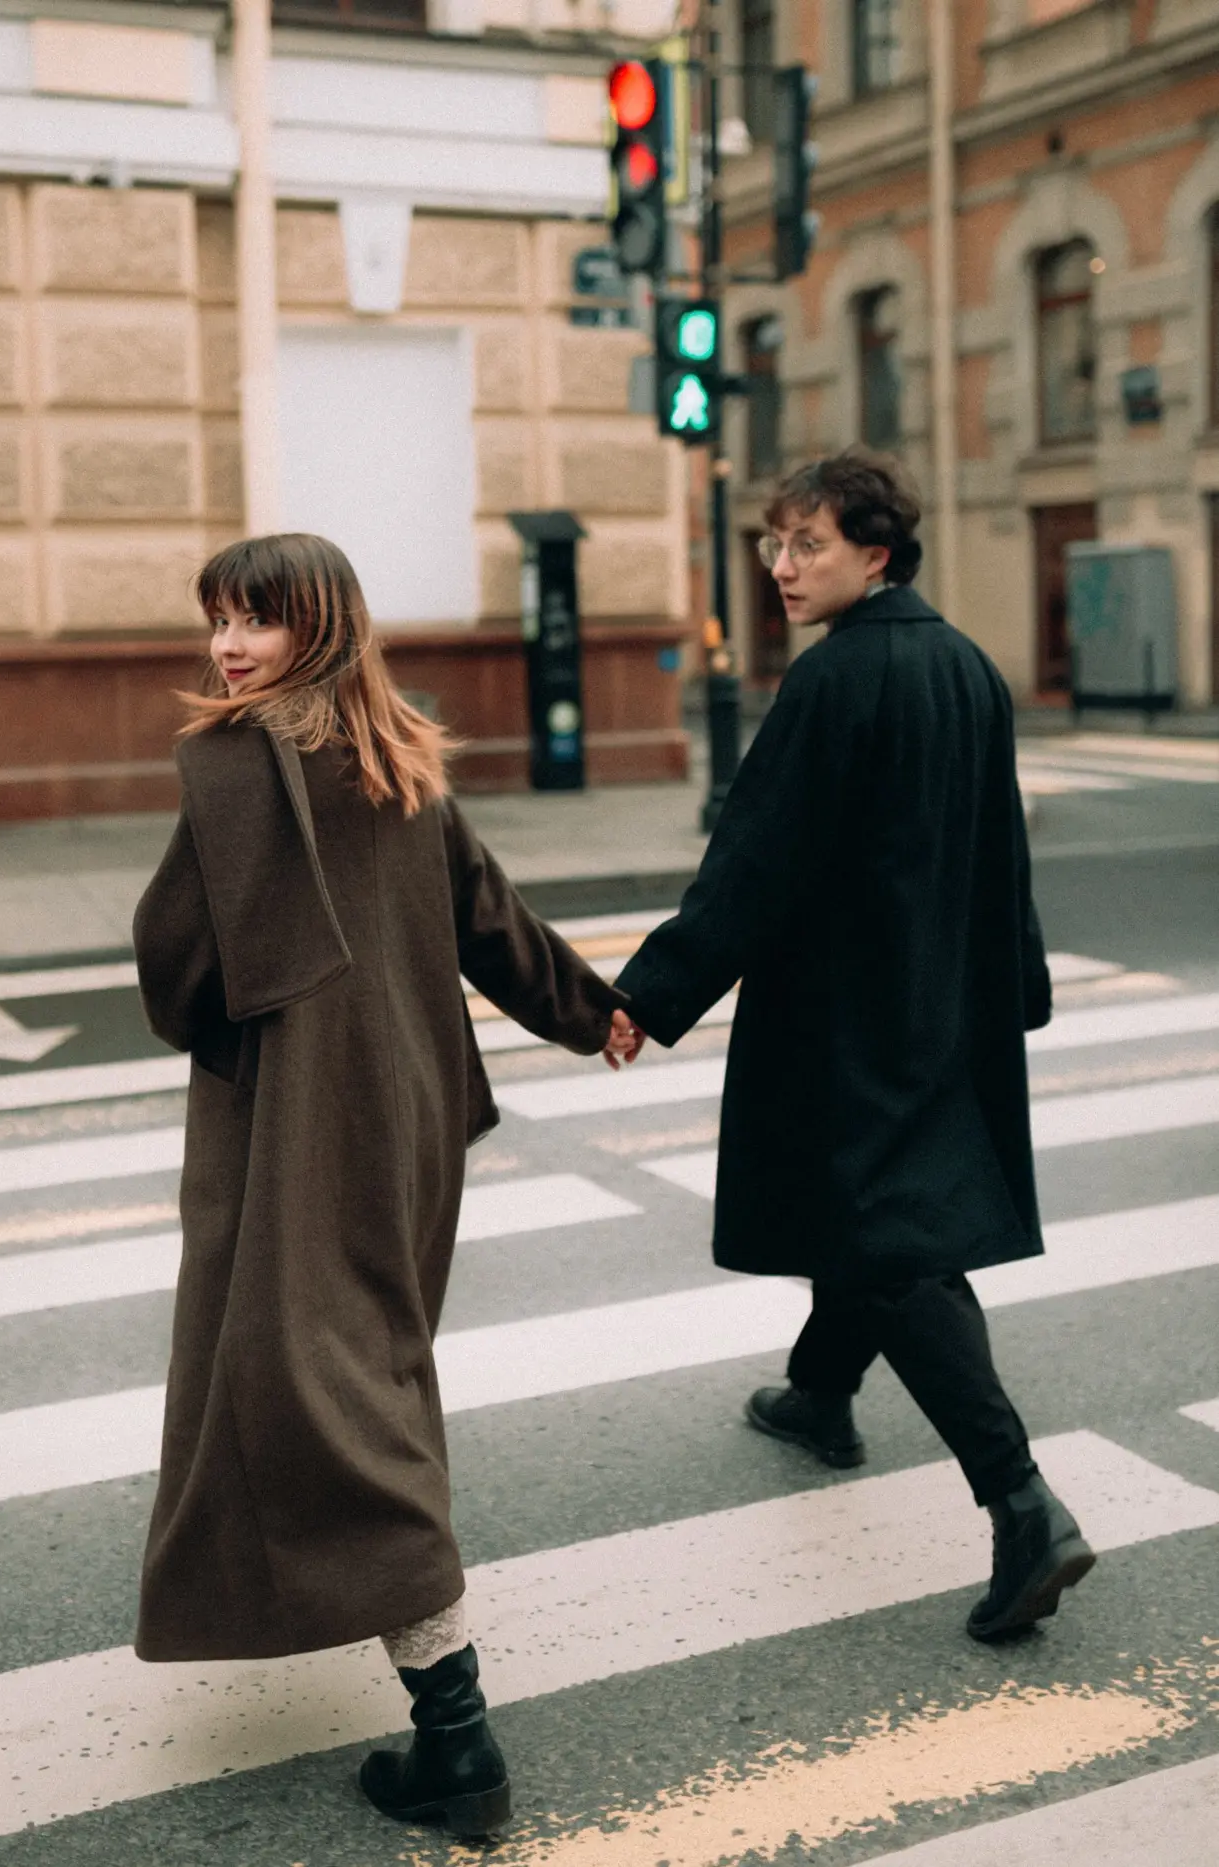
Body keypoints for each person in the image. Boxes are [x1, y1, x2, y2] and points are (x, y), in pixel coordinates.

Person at [130, 532, 639, 1839]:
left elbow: (172, 967)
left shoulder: (240, 767)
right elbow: (495, 923)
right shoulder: (400, 758)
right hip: (405, 1118)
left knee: (329, 1385)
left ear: (318, 626)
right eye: (219, 619)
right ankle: (429, 1705)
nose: (227, 646)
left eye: (255, 619)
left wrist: (248, 1011)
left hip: (298, 1127)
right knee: (369, 1361)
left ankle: (457, 1733)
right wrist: (595, 1013)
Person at [609, 448, 1096, 1644]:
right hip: (943, 1003)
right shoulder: (967, 669)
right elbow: (1002, 850)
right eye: (775, 542)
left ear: (873, 553)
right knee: (878, 1208)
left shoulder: (832, 682)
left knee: (889, 1240)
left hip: (846, 1017)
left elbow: (753, 864)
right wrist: (1016, 981)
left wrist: (648, 992)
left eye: (807, 543)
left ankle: (1019, 1501)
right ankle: (819, 1393)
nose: (780, 565)